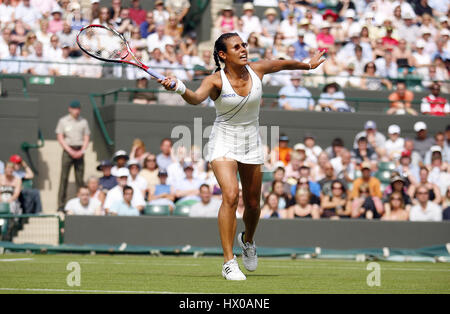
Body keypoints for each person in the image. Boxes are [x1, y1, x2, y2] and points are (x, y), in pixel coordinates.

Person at [158, 32, 325, 280]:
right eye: (237, 47)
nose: (243, 49)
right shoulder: (215, 81)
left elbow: (281, 63)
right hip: (222, 142)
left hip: (251, 143)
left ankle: (248, 240)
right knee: (231, 195)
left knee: (254, 203)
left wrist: (308, 65)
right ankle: (228, 262)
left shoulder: (257, 70)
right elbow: (195, 99)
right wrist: (180, 88)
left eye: (244, 44)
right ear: (223, 55)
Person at [55, 100, 90, 211]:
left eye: (78, 108)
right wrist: (69, 150)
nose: (77, 111)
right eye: (75, 108)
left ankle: (80, 203)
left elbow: (86, 138)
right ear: (70, 109)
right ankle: (61, 205)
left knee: (80, 179)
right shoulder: (63, 121)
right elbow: (60, 137)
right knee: (64, 178)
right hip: (67, 151)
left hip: (80, 150)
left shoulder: (83, 122)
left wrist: (82, 151)